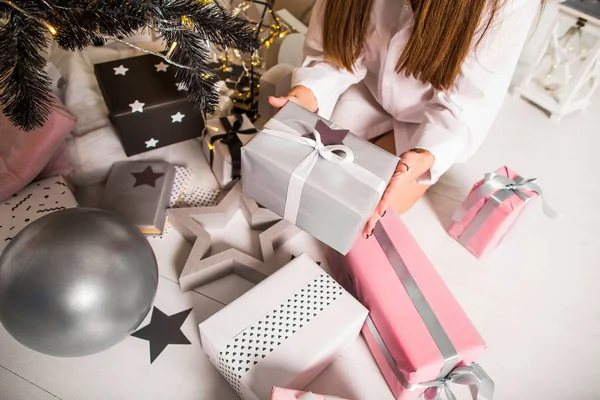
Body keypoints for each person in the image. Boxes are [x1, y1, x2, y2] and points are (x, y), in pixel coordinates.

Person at [269, 0, 543, 238]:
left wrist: (425, 156)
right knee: (301, 176)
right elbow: (334, 53)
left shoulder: (506, 4)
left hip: (429, 121)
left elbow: (466, 106)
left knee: (363, 212)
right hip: (364, 89)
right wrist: (308, 92)